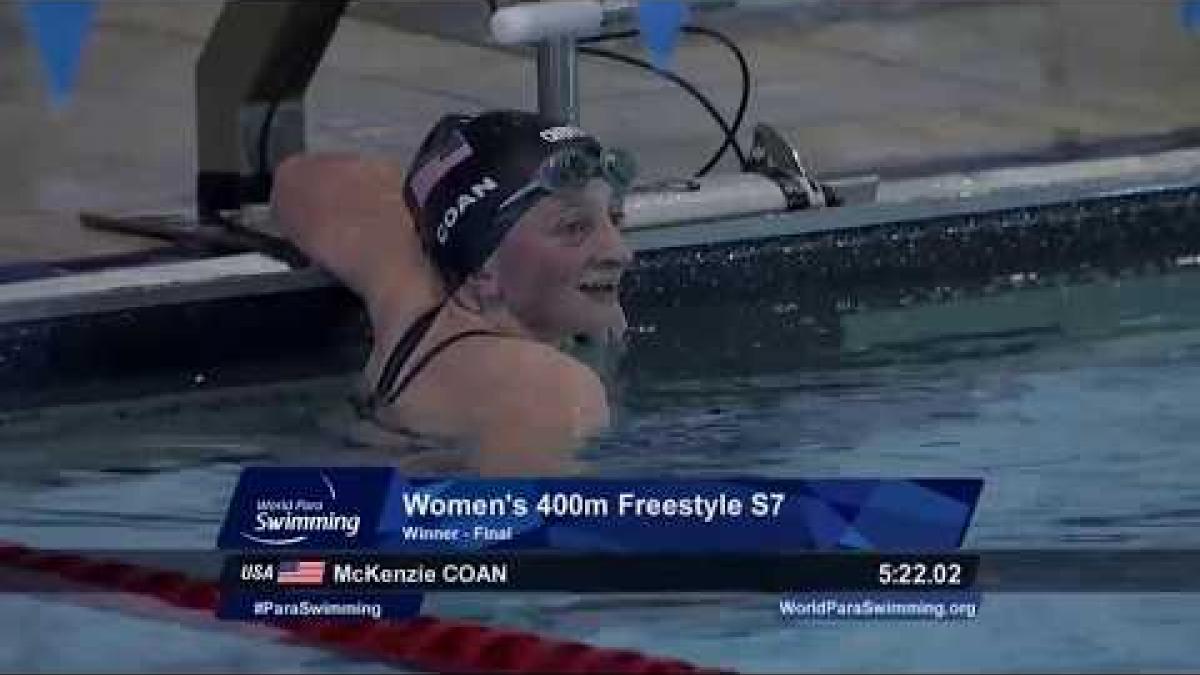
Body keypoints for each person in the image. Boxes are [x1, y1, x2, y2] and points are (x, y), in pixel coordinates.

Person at [272, 110, 636, 475]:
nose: (620, 252)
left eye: (614, 219)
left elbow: (299, 177)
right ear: (483, 270)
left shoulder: (411, 300)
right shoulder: (551, 389)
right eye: (573, 228)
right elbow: (518, 525)